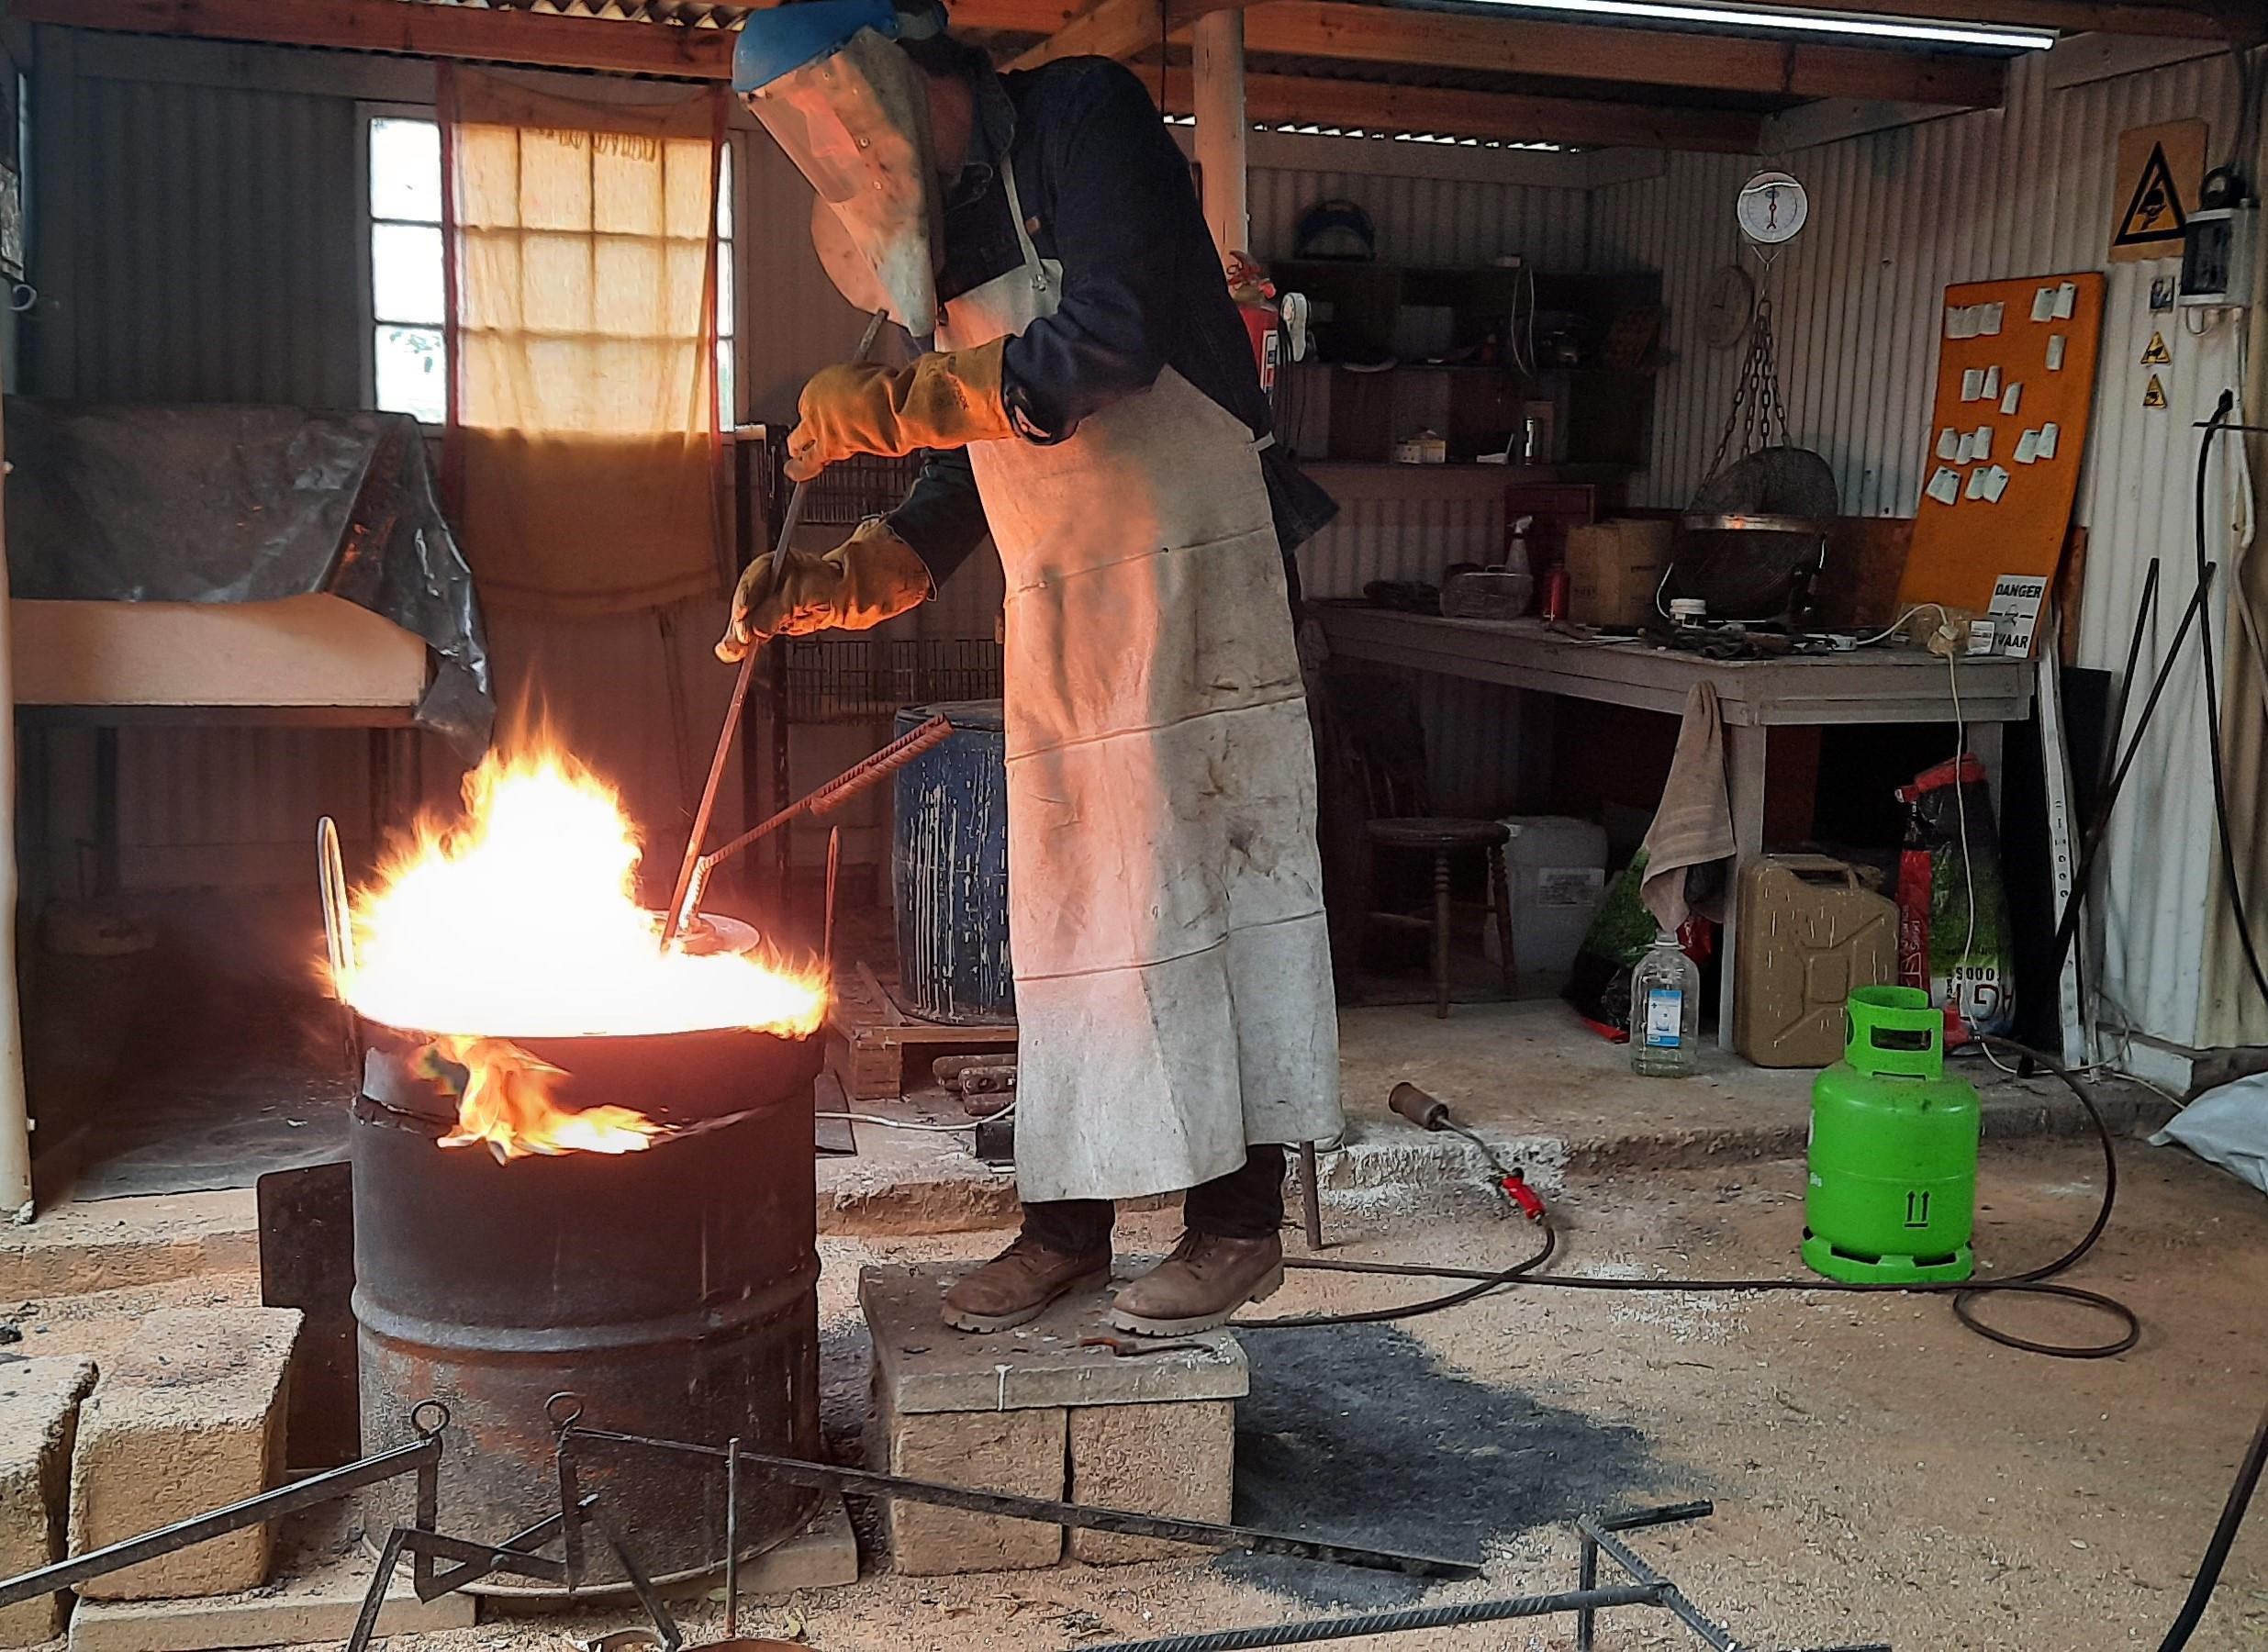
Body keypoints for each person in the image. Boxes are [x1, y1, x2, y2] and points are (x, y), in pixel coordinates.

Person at [728, 0, 1342, 1337]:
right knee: (1070, 928)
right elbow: (982, 452)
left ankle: (1235, 1230)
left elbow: (1108, 345)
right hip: (1064, 606)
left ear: (906, 60)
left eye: (845, 104)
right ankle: (1065, 1227)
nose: (838, 145)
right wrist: (865, 573)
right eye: (808, 134)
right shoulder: (932, 236)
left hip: (1196, 577)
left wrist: (889, 406)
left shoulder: (1078, 117)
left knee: (1202, 900)